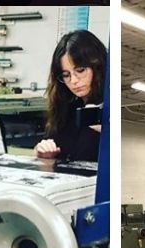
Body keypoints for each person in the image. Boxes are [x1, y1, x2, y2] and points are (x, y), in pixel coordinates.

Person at [34, 30, 106, 162]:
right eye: (66, 75)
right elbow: (49, 146)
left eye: (80, 70)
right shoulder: (65, 109)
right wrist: (44, 154)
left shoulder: (109, 109)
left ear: (98, 67)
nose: (73, 81)